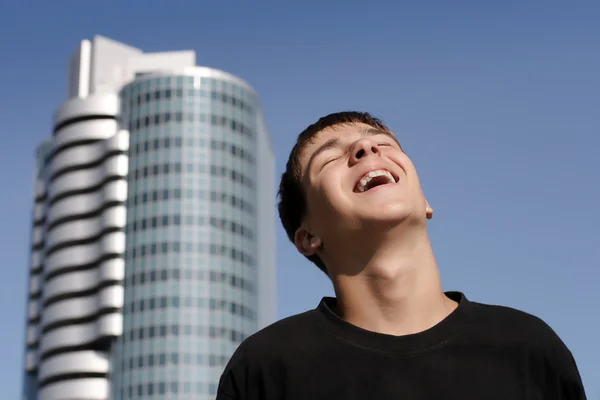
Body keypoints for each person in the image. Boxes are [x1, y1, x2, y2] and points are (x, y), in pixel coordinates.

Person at [216, 111, 587, 399]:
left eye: (382, 143)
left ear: (425, 201)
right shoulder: (266, 367)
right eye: (329, 159)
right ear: (307, 236)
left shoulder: (528, 349)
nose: (366, 150)